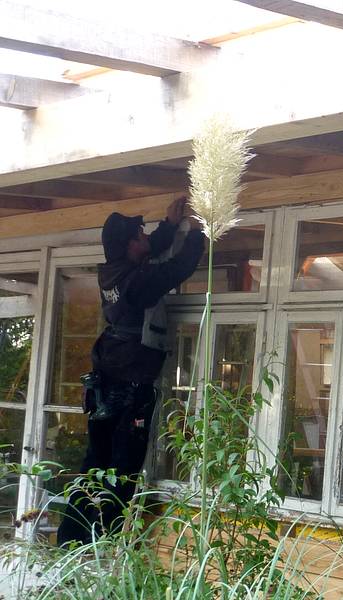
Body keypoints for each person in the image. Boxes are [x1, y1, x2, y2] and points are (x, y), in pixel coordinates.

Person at [56, 197, 205, 546]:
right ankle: (103, 545)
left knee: (96, 461)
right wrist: (198, 233)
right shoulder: (137, 281)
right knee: (122, 469)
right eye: (140, 234)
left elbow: (152, 248)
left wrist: (168, 225)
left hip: (109, 375)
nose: (145, 238)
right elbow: (177, 269)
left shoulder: (113, 270)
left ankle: (71, 539)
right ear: (129, 245)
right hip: (129, 383)